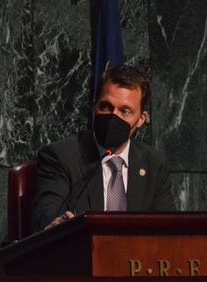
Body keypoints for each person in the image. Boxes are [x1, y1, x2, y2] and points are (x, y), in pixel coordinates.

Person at [30, 65, 176, 232]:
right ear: (94, 107)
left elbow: (168, 229)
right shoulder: (61, 156)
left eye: (125, 111)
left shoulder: (154, 164)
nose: (114, 117)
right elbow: (46, 215)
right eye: (106, 107)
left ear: (141, 119)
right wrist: (55, 225)